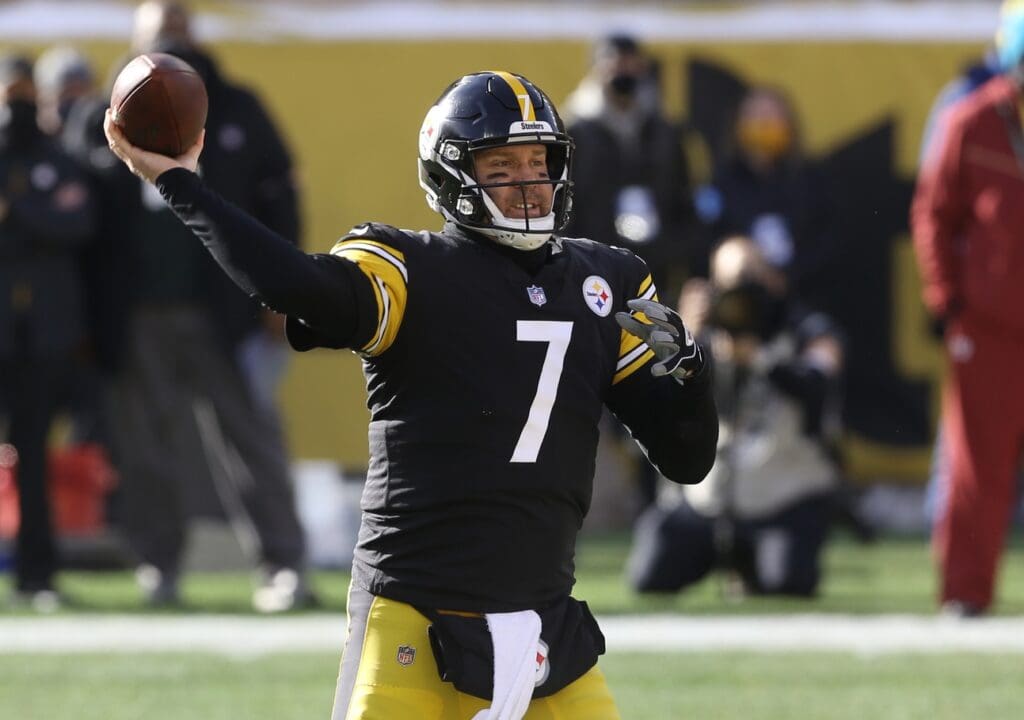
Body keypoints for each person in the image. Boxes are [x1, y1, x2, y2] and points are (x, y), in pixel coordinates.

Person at [104, 69, 718, 719]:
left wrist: (691, 380)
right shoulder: (409, 267)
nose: (528, 182)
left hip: (548, 629)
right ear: (453, 176)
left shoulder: (610, 280)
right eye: (502, 164)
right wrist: (179, 184)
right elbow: (298, 286)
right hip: (415, 623)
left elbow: (688, 461)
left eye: (538, 161)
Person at [103, 0, 311, 612]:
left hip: (227, 305)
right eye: (158, 33)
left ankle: (283, 564)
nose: (171, 40)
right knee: (147, 450)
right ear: (136, 44)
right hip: (139, 312)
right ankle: (158, 565)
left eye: (178, 30)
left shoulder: (237, 105)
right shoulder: (106, 115)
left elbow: (281, 196)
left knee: (251, 440)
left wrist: (281, 290)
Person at [628, 236, 843, 598]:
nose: (741, 298)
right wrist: (686, 341)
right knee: (650, 575)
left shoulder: (806, 328)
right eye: (730, 285)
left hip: (782, 499)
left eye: (752, 280)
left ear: (775, 280)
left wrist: (761, 360)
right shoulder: (703, 336)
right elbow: (649, 409)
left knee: (788, 583)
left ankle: (754, 565)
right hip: (707, 502)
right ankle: (726, 560)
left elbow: (818, 382)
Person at [910, 2, 1024, 618]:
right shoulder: (971, 120)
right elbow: (933, 213)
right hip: (991, 326)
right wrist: (945, 298)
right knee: (977, 467)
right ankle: (965, 594)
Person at [0, 54, 97, 609]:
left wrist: (16, 211)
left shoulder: (56, 158)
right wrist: (36, 217)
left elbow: (76, 223)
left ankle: (36, 574)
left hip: (41, 337)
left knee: (32, 457)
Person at [563, 33, 694, 301]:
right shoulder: (575, 132)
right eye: (614, 62)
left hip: (655, 269)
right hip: (592, 267)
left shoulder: (664, 131)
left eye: (630, 62)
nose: (623, 71)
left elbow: (682, 201)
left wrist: (676, 252)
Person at [691, 85, 837, 308]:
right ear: (738, 124)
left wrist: (788, 277)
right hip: (736, 304)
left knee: (824, 343)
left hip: (799, 301)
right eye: (755, 115)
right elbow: (705, 241)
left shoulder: (810, 181)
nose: (763, 124)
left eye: (771, 116)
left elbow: (826, 242)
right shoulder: (720, 184)